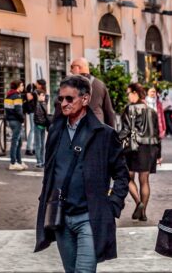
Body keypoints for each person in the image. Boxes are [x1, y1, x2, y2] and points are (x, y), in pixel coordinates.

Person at [35, 74, 129, 273]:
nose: (64, 103)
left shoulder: (104, 134)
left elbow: (122, 175)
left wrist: (112, 205)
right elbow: (50, 170)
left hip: (90, 218)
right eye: (61, 99)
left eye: (70, 98)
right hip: (61, 217)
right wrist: (46, 199)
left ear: (85, 99)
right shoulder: (55, 132)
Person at [122, 82, 161, 221]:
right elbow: (157, 134)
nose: (127, 97)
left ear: (135, 93)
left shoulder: (129, 109)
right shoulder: (152, 111)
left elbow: (125, 130)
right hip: (150, 148)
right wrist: (159, 154)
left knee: (127, 176)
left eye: (128, 93)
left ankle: (138, 203)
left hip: (133, 147)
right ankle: (143, 212)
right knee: (144, 180)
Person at [55, 58, 116, 127]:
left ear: (79, 68)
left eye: (72, 67)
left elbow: (59, 109)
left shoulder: (68, 86)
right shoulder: (100, 85)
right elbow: (109, 112)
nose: (70, 70)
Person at [4, 80, 26, 170]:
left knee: (18, 142)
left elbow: (7, 109)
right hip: (16, 121)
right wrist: (22, 119)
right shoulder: (17, 97)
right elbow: (18, 111)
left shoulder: (8, 95)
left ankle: (19, 161)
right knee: (15, 142)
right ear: (17, 86)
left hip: (11, 120)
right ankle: (13, 162)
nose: (23, 87)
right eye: (21, 85)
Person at [33, 79, 50, 170]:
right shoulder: (43, 101)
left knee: (40, 144)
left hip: (39, 124)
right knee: (41, 144)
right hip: (41, 124)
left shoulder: (39, 103)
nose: (44, 96)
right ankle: (41, 161)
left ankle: (40, 161)